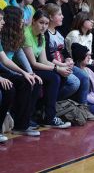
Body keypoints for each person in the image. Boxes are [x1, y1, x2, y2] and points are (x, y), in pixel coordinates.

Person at [22, 10, 71, 128]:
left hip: (34, 67)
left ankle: (45, 113)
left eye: (46, 23)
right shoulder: (27, 34)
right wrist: (56, 69)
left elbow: (43, 60)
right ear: (33, 21)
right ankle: (47, 116)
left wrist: (63, 66)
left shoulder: (42, 36)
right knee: (54, 77)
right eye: (41, 22)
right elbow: (33, 63)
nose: (44, 26)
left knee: (61, 77)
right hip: (24, 68)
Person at [0, 8, 41, 139]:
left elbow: (6, 60)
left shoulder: (15, 34)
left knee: (27, 81)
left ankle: (21, 125)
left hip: (4, 70)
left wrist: (26, 73)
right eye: (0, 19)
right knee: (9, 89)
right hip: (2, 72)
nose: (3, 22)